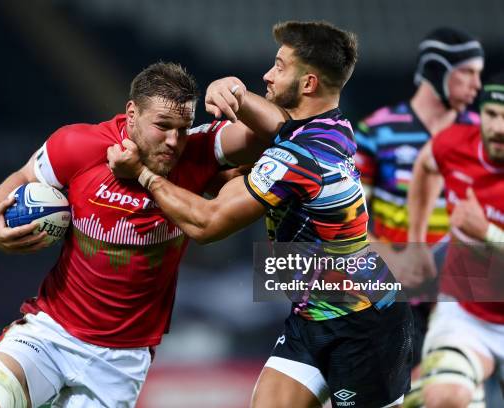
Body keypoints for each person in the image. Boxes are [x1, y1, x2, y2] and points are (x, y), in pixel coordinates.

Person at [108, 21, 413, 408]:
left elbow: (207, 223)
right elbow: (278, 125)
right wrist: (234, 88)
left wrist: (143, 174)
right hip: (312, 313)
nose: (268, 75)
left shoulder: (301, 157)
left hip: (364, 324)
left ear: (308, 84)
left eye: (280, 66)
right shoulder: (332, 128)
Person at [0, 62, 278, 408]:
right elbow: (23, 176)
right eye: (163, 126)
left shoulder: (199, 149)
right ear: (132, 113)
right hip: (50, 333)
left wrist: (237, 96)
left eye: (183, 128)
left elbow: (284, 133)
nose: (174, 141)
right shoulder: (77, 145)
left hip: (121, 362)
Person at [353, 27, 484, 367]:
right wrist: (393, 264)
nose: (476, 85)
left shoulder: (484, 136)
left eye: (479, 74)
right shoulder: (375, 131)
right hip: (393, 292)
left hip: (462, 295)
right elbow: (348, 219)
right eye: (467, 72)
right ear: (438, 70)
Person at [403, 74, 504, 408]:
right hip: (466, 313)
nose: (498, 128)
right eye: (491, 114)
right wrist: (416, 240)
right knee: (447, 397)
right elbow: (426, 165)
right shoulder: (456, 144)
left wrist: (486, 234)